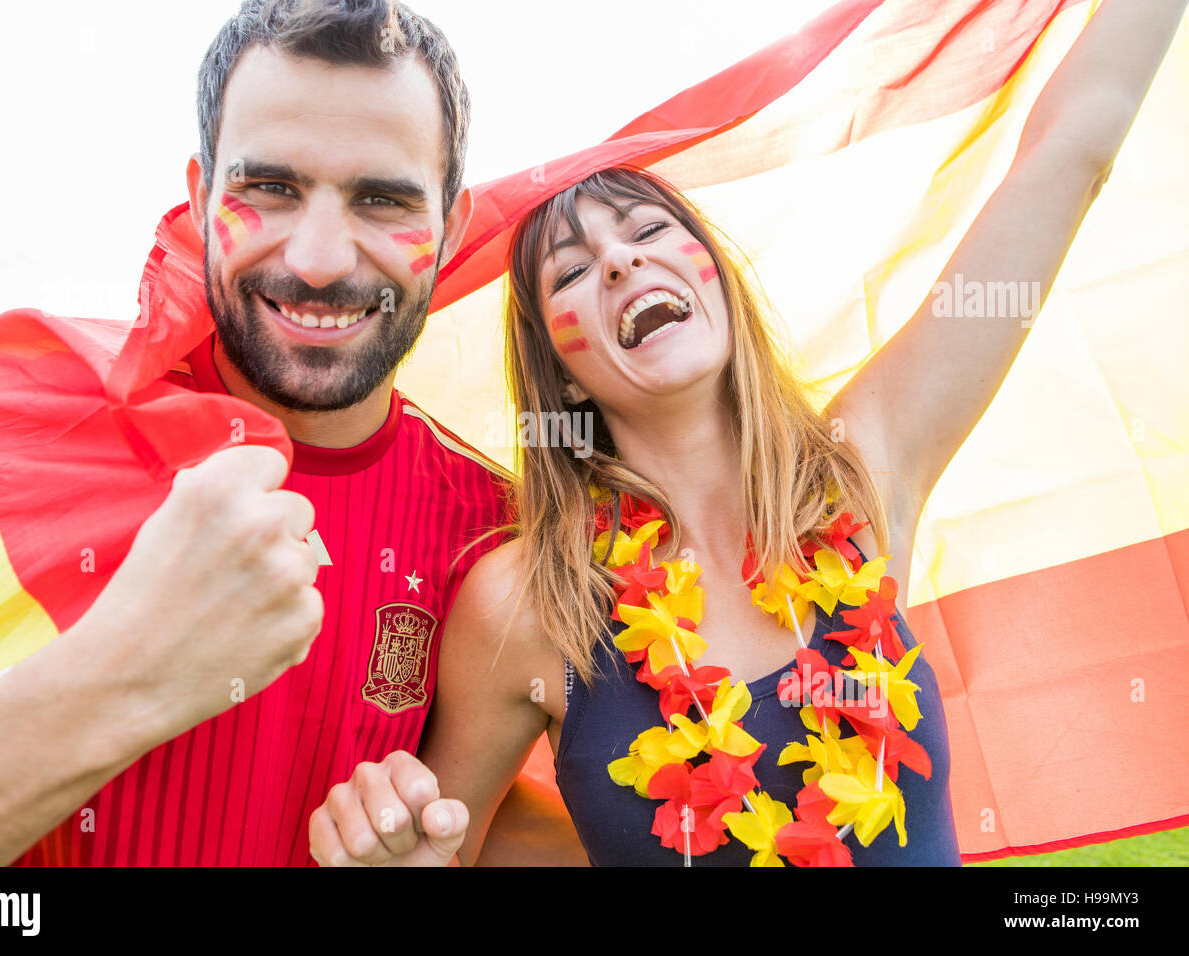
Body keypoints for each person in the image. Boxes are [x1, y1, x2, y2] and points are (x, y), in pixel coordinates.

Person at [310, 0, 1189, 865]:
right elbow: (448, 845)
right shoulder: (525, 603)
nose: (621, 260)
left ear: (717, 280)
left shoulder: (864, 466)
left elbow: (1071, 153)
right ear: (561, 371)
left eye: (652, 229)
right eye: (573, 270)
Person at [0, 0, 549, 866]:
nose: (318, 260)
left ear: (453, 229)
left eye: (383, 200)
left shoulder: (498, 529)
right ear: (201, 200)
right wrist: (130, 675)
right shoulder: (9, 425)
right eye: (269, 189)